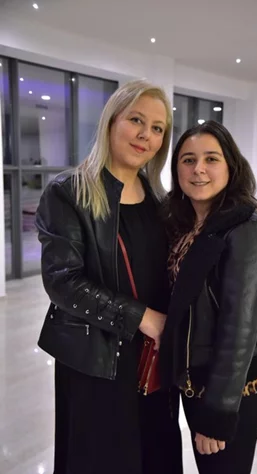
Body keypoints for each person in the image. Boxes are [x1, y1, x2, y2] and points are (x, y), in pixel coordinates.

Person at [35, 79, 183, 474]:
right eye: (136, 120)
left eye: (157, 128)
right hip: (97, 360)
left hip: (153, 359)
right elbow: (63, 282)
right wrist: (145, 319)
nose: (145, 135)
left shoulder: (157, 198)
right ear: (111, 120)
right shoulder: (70, 192)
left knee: (154, 452)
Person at [160, 120, 257, 474]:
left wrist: (217, 414)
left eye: (211, 158)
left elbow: (238, 332)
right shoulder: (185, 224)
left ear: (231, 165)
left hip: (233, 390)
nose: (198, 169)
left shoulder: (247, 231)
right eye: (187, 159)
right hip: (196, 380)